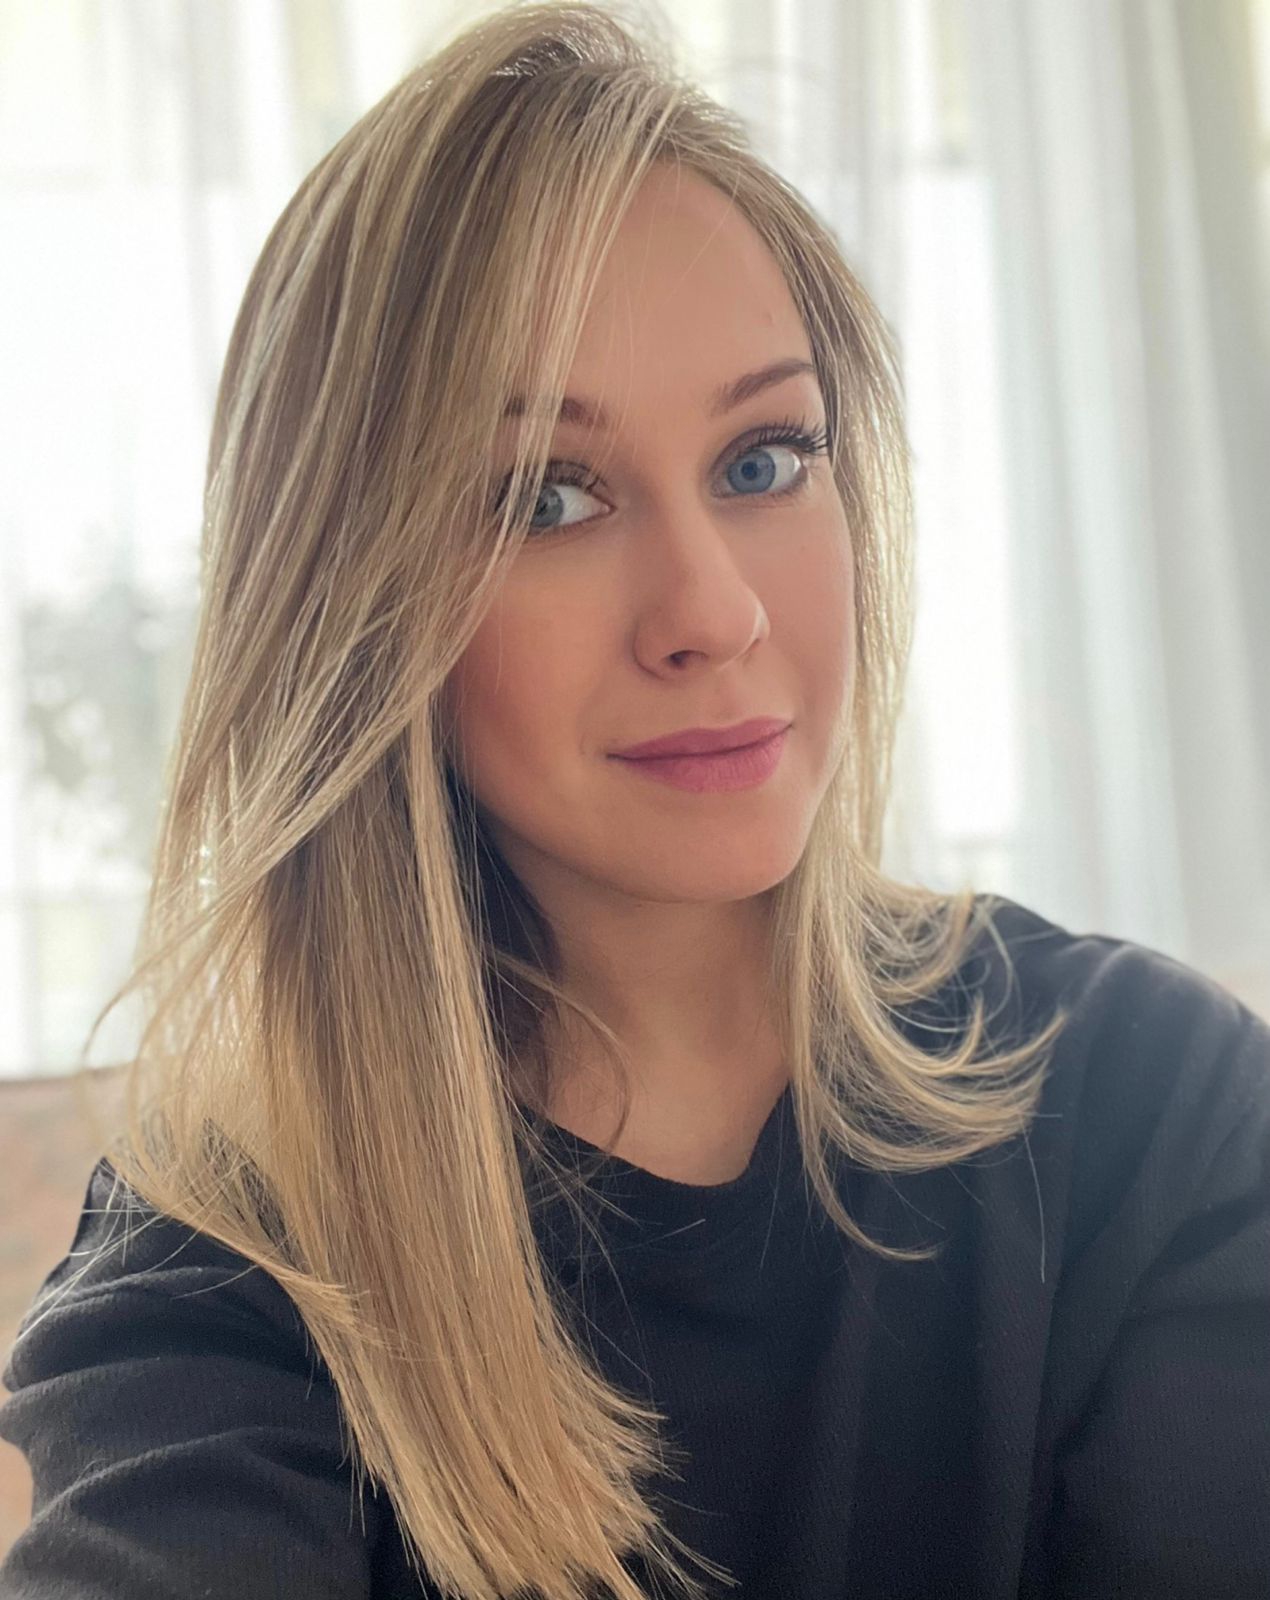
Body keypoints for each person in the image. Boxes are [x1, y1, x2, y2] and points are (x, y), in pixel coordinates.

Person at [2, 3, 1267, 1597]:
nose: (713, 613)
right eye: (547, 497)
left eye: (763, 460)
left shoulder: (1151, 1103)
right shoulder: (224, 1272)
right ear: (350, 601)